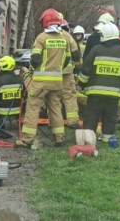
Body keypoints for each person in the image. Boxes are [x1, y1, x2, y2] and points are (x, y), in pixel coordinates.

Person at [19, 8, 80, 148]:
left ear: (45, 22)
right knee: (55, 108)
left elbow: (34, 60)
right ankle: (59, 138)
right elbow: (67, 60)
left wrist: (33, 71)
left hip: (41, 82)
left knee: (33, 107)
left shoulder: (41, 38)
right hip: (57, 82)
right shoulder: (64, 39)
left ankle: (28, 138)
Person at [79, 23, 120, 143]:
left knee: (92, 114)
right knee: (110, 115)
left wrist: (82, 82)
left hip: (95, 92)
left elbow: (86, 69)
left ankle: (88, 138)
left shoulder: (96, 49)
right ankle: (107, 138)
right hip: (114, 93)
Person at [0, 55, 25, 126]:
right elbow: (25, 96)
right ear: (13, 66)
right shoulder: (20, 80)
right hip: (18, 111)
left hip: (0, 112)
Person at [58, 13, 81, 128]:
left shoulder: (44, 36)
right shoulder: (68, 36)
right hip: (66, 72)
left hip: (50, 72)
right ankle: (72, 121)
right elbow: (76, 55)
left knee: (53, 97)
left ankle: (54, 121)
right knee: (69, 95)